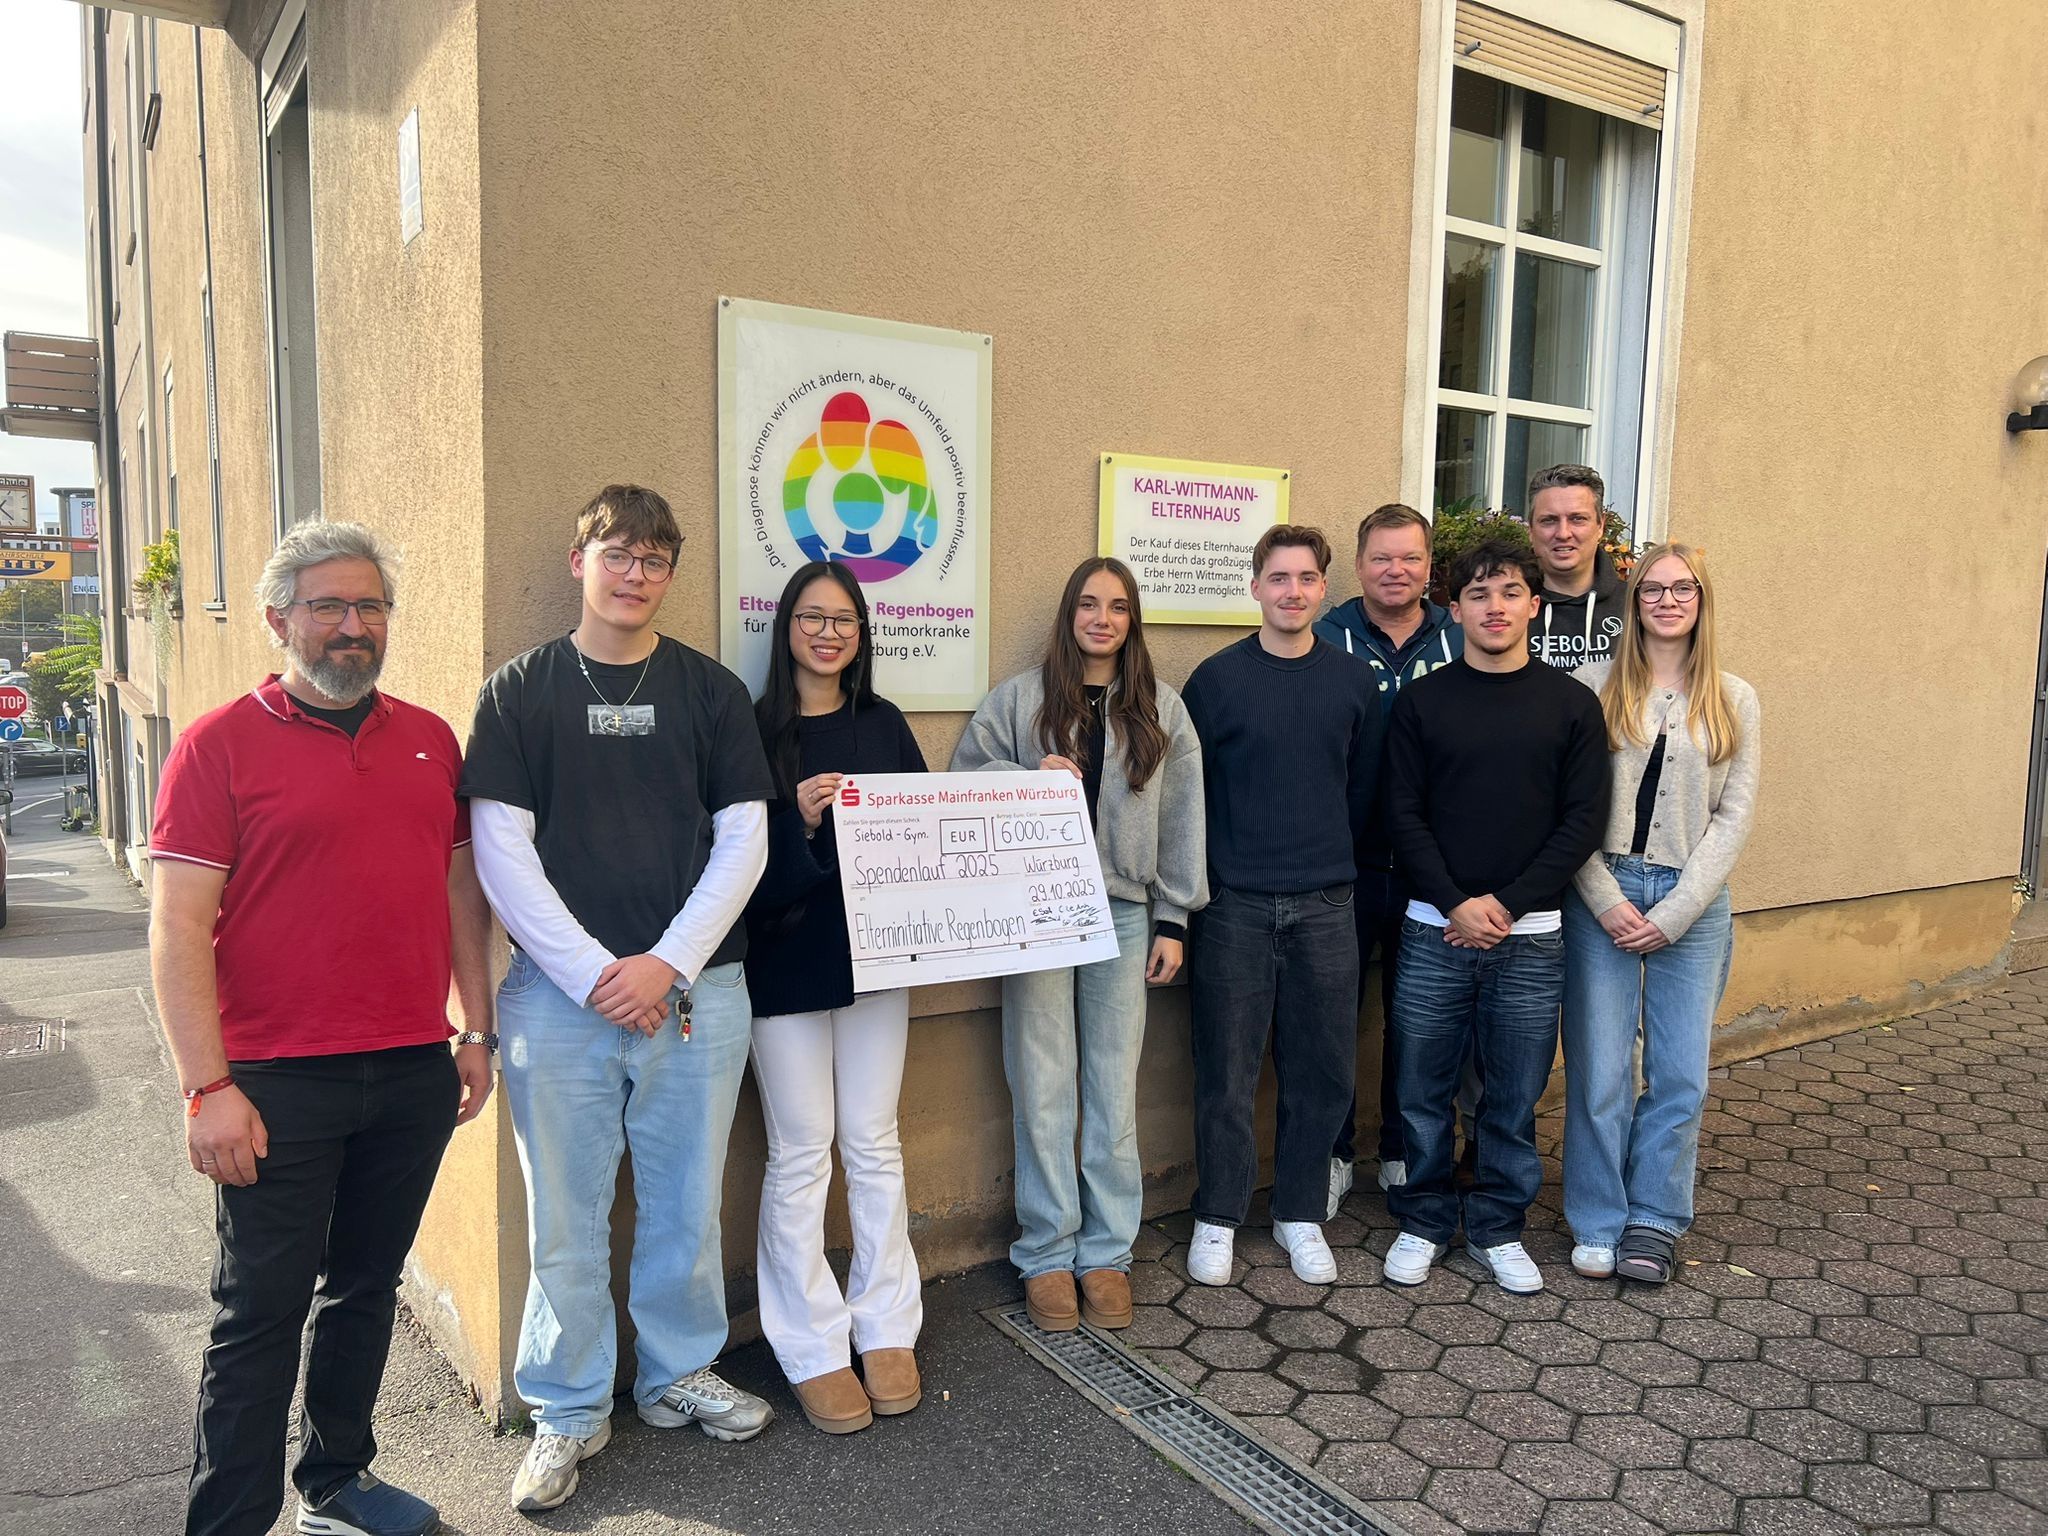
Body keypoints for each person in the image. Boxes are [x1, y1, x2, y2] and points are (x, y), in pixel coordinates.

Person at [150, 521, 492, 1536]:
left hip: (407, 1067)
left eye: (370, 607)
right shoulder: (216, 746)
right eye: (328, 607)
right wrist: (205, 1088)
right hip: (270, 1085)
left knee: (364, 1289)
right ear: (278, 620)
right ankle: (229, 1523)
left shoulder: (431, 737)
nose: (352, 626)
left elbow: (460, 892)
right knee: (257, 1317)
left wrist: (476, 1031)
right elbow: (176, 928)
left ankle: (336, 1481)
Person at [461, 485, 776, 1513]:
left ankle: (675, 1372)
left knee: (685, 1200)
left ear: (669, 574)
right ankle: (566, 1408)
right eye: (617, 553)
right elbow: (500, 852)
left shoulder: (710, 692)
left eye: (654, 558)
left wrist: (665, 965)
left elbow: (744, 839)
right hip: (558, 1007)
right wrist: (598, 971)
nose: (635, 573)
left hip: (694, 995)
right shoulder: (519, 692)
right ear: (578, 560)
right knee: (565, 1214)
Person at [953, 556, 1206, 1332]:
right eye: (1089, 605)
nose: (1103, 618)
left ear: (1133, 621)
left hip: (1125, 915)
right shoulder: (1021, 701)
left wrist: (1175, 918)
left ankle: (1106, 1252)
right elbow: (964, 780)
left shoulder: (1160, 708)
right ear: (1069, 616)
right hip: (1036, 915)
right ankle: (1046, 1254)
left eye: (1119, 607)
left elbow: (1184, 815)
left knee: (1109, 1084)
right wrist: (1028, 775)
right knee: (1042, 1082)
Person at [1381, 538, 1610, 1295]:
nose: (1495, 607)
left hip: (1532, 937)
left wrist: (1504, 906)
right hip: (1431, 928)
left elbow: (1580, 824)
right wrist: (1455, 902)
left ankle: (1497, 1226)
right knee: (1422, 1090)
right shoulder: (1422, 703)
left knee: (1512, 1096)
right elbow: (1401, 813)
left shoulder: (1572, 704)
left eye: (1510, 592)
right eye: (1478, 595)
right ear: (1455, 610)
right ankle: (1424, 1220)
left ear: (1534, 605)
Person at [744, 561, 928, 1434]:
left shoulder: (884, 725)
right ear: (787, 629)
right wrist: (805, 825)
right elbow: (737, 874)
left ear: (862, 634)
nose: (828, 632)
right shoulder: (753, 732)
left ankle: (888, 1323)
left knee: (874, 1141)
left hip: (875, 966)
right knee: (803, 1151)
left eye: (844, 620)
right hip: (783, 971)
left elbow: (929, 838)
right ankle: (813, 1341)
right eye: (813, 618)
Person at [1181, 526, 1382, 1287]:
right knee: (1225, 1069)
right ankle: (1218, 1214)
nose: (1292, 591)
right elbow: (1191, 799)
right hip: (1234, 903)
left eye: (1306, 578)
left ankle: (1300, 1213)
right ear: (1255, 587)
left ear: (1324, 588)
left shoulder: (1353, 684)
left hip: (1329, 903)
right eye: (1278, 578)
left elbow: (1361, 795)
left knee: (1322, 1068)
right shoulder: (1215, 681)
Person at [1563, 543, 1760, 1283]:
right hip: (1601, 897)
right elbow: (1573, 810)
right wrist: (1610, 903)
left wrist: (1674, 913)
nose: (1668, 600)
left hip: (1693, 905)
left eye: (1684, 588)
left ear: (1702, 600)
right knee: (1601, 1070)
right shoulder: (1593, 686)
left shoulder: (1736, 698)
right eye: (1654, 588)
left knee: (1680, 1074)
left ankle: (1653, 1220)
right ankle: (1598, 1217)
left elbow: (1734, 818)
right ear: (1634, 599)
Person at [1312, 503, 1462, 1211]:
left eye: (1409, 558)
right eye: (1381, 557)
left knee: (1421, 1021)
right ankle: (1335, 1152)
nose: (1395, 570)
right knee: (1332, 1017)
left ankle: (1403, 1152)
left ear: (1430, 567)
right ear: (1359, 562)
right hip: (1344, 862)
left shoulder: (1460, 637)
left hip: (1438, 870)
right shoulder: (1325, 636)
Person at [1525, 463, 1629, 670]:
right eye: (1549, 520)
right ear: (1531, 530)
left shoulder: (1635, 605)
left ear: (1601, 526)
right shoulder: (1508, 608)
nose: (1563, 533)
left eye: (1577, 519)